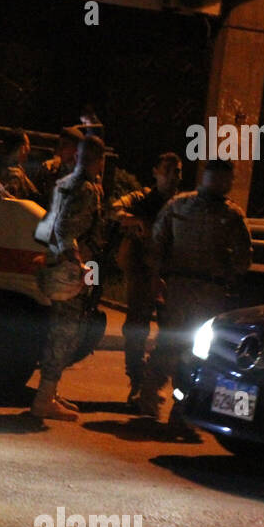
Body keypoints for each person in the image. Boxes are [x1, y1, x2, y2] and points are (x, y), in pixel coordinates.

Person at [138, 158, 252, 427]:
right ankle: (168, 405)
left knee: (183, 348)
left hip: (193, 289)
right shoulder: (214, 211)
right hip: (195, 290)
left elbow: (156, 245)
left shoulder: (184, 206)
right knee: (183, 349)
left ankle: (165, 403)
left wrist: (157, 276)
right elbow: (243, 260)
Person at [32, 135, 107, 421]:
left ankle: (49, 392)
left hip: (60, 263)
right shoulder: (86, 189)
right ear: (98, 160)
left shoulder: (66, 184)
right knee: (65, 331)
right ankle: (43, 400)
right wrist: (75, 262)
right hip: (71, 268)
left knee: (62, 328)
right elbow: (64, 229)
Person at [111, 152, 182, 406]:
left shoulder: (182, 203)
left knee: (172, 333)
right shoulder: (142, 198)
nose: (174, 176)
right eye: (168, 170)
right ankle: (138, 381)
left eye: (178, 172)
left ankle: (156, 381)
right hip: (142, 274)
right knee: (136, 330)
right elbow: (115, 209)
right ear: (156, 172)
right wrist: (133, 220)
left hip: (170, 277)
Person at [34, 126, 84, 208]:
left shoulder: (86, 174)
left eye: (65, 144)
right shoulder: (51, 169)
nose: (60, 148)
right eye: (60, 144)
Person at [0, 128, 38, 199]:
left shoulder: (1, 168)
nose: (29, 149)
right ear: (22, 148)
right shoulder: (14, 175)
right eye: (28, 144)